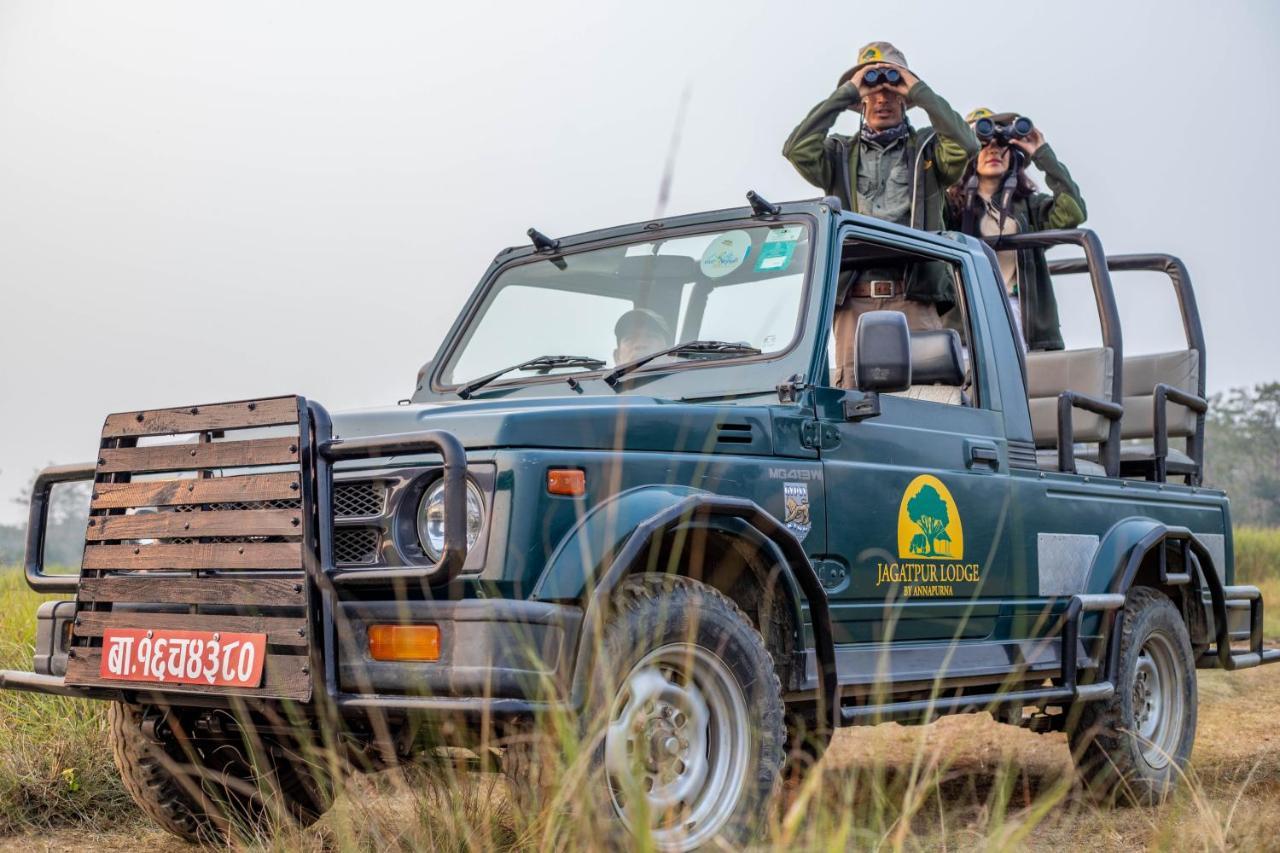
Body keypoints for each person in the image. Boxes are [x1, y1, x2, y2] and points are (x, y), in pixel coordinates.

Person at [782, 42, 978, 386]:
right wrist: (846, 92)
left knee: (925, 396)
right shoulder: (839, 152)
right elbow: (797, 149)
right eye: (872, 91)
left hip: (914, 296)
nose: (882, 99)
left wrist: (918, 89)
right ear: (860, 101)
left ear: (905, 97)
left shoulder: (927, 149)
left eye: (892, 89)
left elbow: (966, 145)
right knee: (851, 400)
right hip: (853, 298)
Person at [945, 109, 1087, 351]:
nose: (992, 151)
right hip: (967, 313)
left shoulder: (1029, 205)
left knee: (1023, 384)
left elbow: (1073, 212)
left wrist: (1042, 153)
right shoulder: (951, 206)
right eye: (982, 144)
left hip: (1019, 312)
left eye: (1001, 144)